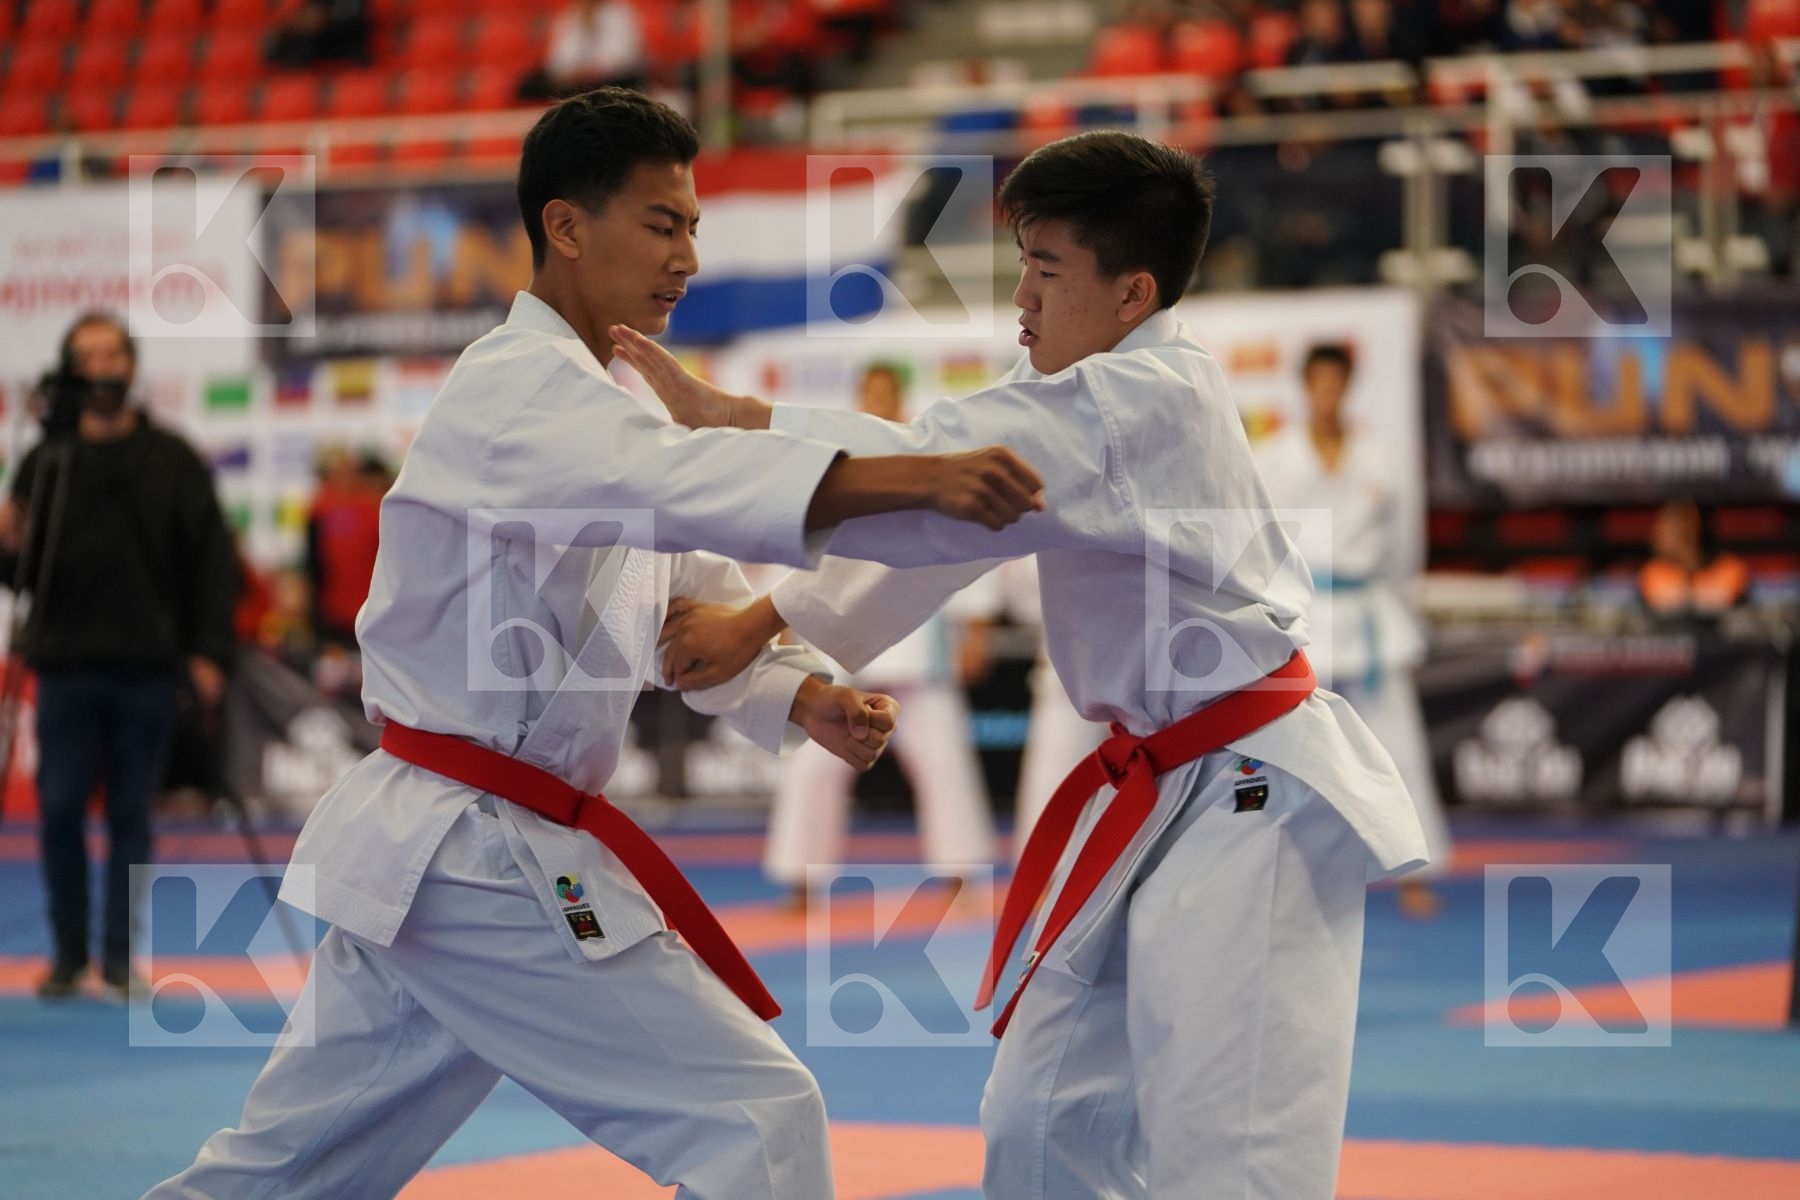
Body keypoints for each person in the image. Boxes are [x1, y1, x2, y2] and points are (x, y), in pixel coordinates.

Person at [145, 87, 1043, 1200]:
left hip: (448, 857)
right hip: (479, 854)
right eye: (663, 226)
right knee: (757, 1122)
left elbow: (685, 602)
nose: (686, 259)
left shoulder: (604, 406)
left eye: (695, 231)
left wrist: (796, 691)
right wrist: (919, 477)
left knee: (287, 1173)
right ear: (566, 227)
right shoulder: (516, 393)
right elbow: (692, 486)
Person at [619, 129, 1432, 1200]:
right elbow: (951, 524)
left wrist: (739, 429)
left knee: (1232, 1145)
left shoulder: (1145, 398)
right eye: (1023, 266)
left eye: (1048, 270)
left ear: (1133, 291)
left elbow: (941, 471)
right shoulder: (1073, 380)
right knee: (1042, 1112)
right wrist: (781, 640)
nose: (1024, 297)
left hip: (1251, 789)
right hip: (1152, 788)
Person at [0, 312, 237, 1002]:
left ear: (130, 367)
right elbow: (23, 579)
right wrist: (8, 546)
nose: (101, 365)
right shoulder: (47, 461)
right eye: (87, 354)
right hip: (65, 665)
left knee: (132, 812)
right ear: (70, 368)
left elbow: (209, 565)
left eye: (111, 352)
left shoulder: (170, 457)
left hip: (148, 667)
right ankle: (70, 956)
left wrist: (209, 654)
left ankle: (117, 956)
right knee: (59, 808)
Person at [761, 363, 999, 904]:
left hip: (918, 651)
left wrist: (977, 626)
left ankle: (961, 878)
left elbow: (961, 547)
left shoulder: (931, 467)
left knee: (943, 764)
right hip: (837, 655)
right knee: (815, 769)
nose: (876, 403)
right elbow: (799, 552)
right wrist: (783, 627)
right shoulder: (826, 472)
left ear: (900, 400)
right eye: (867, 395)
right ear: (857, 399)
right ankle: (801, 881)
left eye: (885, 395)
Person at [1253, 341, 1453, 918]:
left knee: (1398, 749)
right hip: (1305, 615)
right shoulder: (1274, 456)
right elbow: (1260, 546)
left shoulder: (1378, 458)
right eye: (1318, 382)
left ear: (1347, 385)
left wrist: (1404, 619)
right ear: (1305, 386)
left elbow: (1401, 553)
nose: (1327, 393)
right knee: (1293, 752)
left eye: (1337, 382)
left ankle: (1415, 871)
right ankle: (1284, 871)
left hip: (1369, 619)